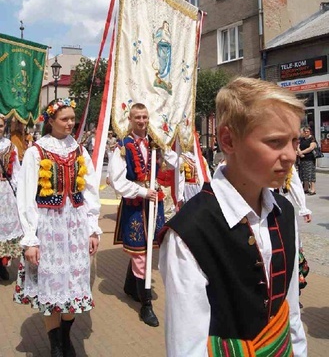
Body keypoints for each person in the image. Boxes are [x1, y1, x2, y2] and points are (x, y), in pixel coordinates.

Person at [159, 77, 307, 356]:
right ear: (228, 140)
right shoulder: (191, 232)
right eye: (275, 142)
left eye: (295, 141)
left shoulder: (283, 212)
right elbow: (187, 346)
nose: (290, 155)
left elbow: (290, 313)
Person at [14, 98, 102, 357]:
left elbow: (90, 190)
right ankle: (56, 345)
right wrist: (31, 239)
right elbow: (26, 196)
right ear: (50, 121)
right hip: (48, 228)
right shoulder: (36, 152)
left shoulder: (79, 150)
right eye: (64, 119)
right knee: (52, 285)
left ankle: (65, 335)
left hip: (75, 226)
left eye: (72, 118)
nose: (70, 123)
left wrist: (93, 228)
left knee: (75, 284)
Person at [107, 102, 177, 328]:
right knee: (140, 252)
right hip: (135, 203)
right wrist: (142, 191)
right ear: (130, 119)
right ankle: (146, 304)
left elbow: (174, 161)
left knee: (149, 246)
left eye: (145, 117)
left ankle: (130, 286)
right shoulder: (122, 146)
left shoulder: (154, 142)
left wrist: (179, 147)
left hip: (152, 202)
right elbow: (118, 181)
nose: (142, 121)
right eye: (138, 117)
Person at [279, 165, 311, 297]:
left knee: (291, 248)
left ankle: (293, 291)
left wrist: (303, 208)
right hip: (261, 209)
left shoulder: (287, 165)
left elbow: (295, 184)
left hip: (283, 208)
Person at [0, 114, 23, 281]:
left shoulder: (10, 146)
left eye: (0, 126)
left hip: (5, 194)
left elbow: (16, 172)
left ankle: (2, 265)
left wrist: (18, 194)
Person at [297, 126, 317, 195]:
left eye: (307, 131)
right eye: (305, 131)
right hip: (302, 159)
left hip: (310, 159)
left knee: (310, 174)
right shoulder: (302, 139)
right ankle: (305, 188)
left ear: (310, 131)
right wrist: (299, 152)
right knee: (304, 174)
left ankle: (312, 189)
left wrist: (301, 152)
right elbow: (298, 146)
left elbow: (311, 148)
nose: (306, 132)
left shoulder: (312, 139)